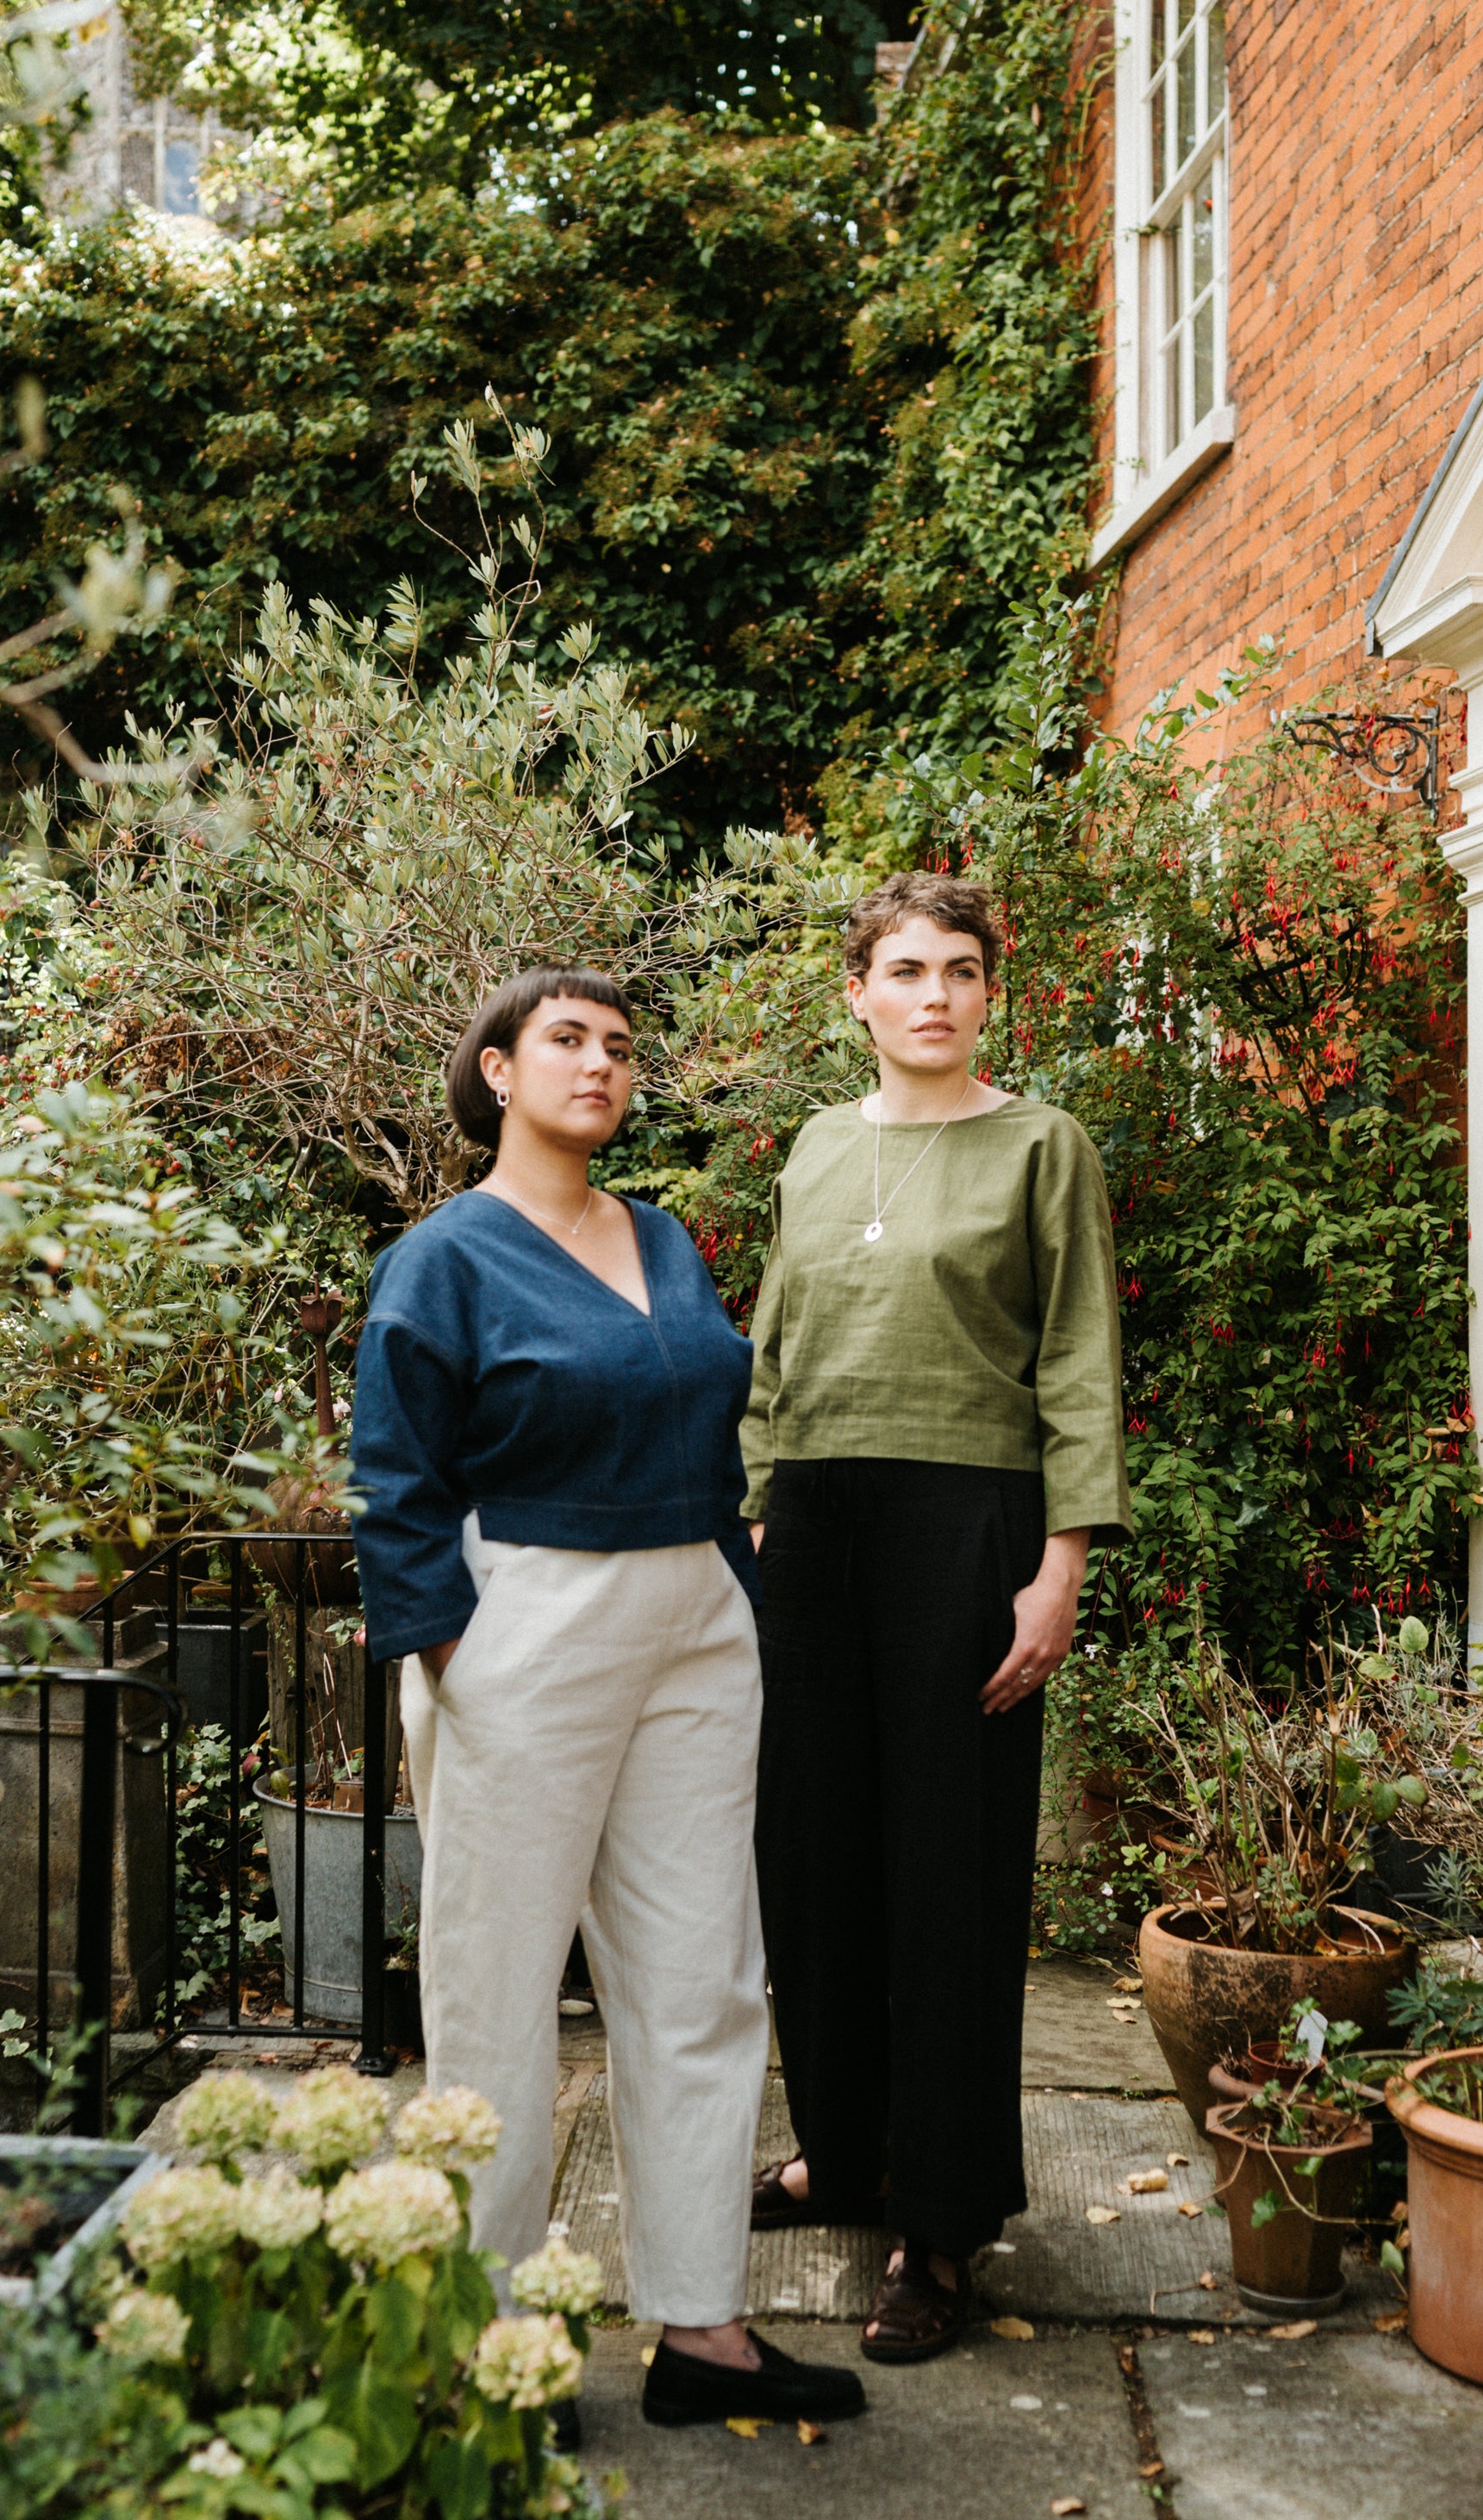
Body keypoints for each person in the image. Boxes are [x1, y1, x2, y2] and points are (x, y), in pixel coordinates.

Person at [351, 967, 865, 2436]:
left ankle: (700, 2326)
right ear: (498, 1072)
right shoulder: (443, 1259)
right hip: (532, 1620)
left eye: (619, 1046)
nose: (599, 1063)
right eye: (564, 1040)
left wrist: (734, 1584)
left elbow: (717, 1413)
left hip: (694, 1623)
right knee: (497, 1990)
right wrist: (455, 1652)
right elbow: (394, 1480)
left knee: (703, 1977)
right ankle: (485, 2342)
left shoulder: (661, 1238)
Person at [742, 874, 1131, 2363]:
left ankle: (940, 2221)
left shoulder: (1042, 1146)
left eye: (959, 970)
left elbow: (1078, 1360)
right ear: (856, 992)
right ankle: (839, 2155)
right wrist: (764, 1501)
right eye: (903, 968)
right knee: (814, 1851)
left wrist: (1058, 1561)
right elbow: (774, 1345)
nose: (933, 994)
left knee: (947, 1870)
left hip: (969, 1530)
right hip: (815, 1531)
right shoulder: (816, 1146)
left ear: (986, 993)